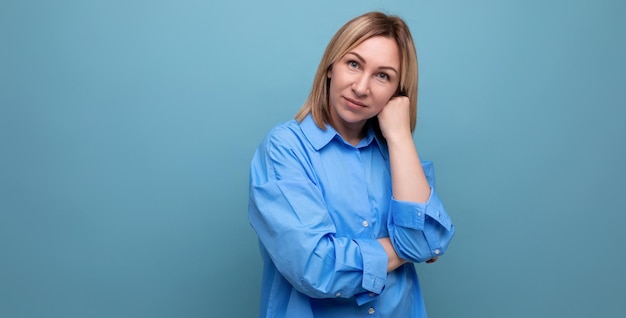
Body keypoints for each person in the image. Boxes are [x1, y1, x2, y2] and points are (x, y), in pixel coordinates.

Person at [248, 11, 455, 318]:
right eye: (354, 64)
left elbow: (431, 240)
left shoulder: (395, 152)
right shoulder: (285, 148)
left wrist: (399, 137)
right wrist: (407, 247)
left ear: (398, 92)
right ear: (331, 66)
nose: (361, 87)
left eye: (382, 75)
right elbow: (316, 267)